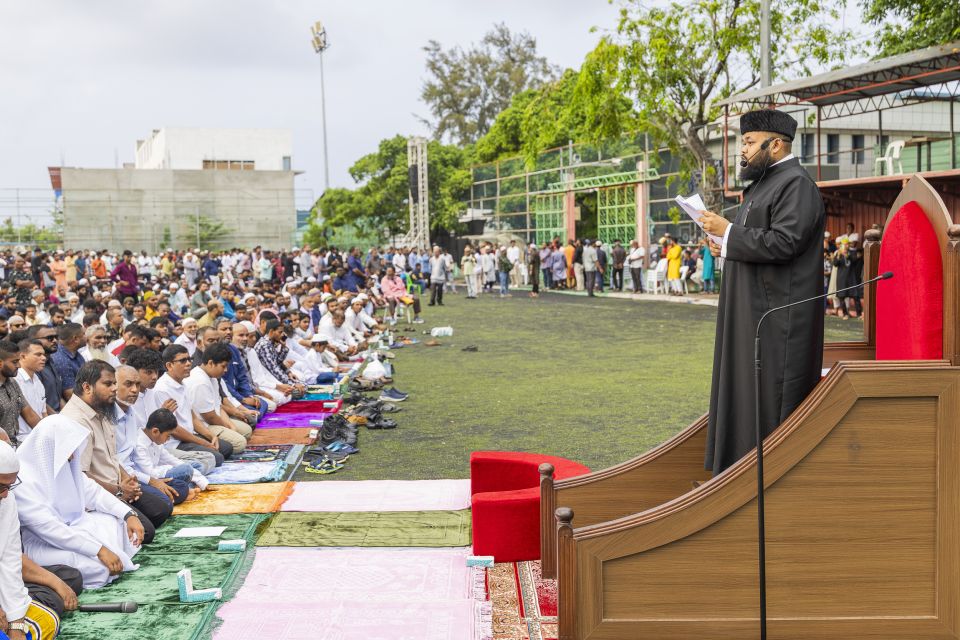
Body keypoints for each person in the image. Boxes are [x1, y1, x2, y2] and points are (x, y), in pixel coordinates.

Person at [699, 108, 825, 475]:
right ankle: (734, 475)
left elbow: (787, 242)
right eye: (744, 142)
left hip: (777, 322)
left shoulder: (796, 184)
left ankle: (759, 484)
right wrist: (723, 244)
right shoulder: (762, 185)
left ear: (776, 144)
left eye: (750, 143)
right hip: (749, 315)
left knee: (768, 403)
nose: (744, 150)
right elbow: (755, 241)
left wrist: (730, 233)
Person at [16, 416, 143, 590]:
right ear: (51, 445)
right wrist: (99, 550)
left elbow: (96, 494)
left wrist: (129, 515)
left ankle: (110, 554)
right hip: (43, 543)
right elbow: (49, 529)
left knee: (116, 520)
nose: (73, 453)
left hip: (77, 527)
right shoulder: (21, 480)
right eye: (67, 447)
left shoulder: (66, 463)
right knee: (99, 568)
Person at [59, 361, 172, 542]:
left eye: (114, 383)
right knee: (147, 532)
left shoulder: (102, 409)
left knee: (162, 508)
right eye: (108, 384)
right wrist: (120, 491)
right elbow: (80, 477)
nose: (114, 388)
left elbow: (111, 457)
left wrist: (128, 480)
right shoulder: (75, 421)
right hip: (97, 496)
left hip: (117, 486)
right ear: (87, 387)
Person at [0, 439, 79, 640]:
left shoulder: (6, 500)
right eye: (1, 486)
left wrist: (16, 621)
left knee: (47, 622)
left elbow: (9, 560)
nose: (6, 494)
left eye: (10, 485)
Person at [154, 345, 233, 465]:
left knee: (226, 448)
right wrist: (203, 442)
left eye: (189, 359)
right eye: (182, 361)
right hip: (176, 442)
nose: (188, 364)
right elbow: (173, 430)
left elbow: (192, 417)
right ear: (169, 365)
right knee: (217, 457)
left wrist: (210, 436)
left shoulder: (183, 383)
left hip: (190, 435)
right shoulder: (162, 389)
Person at [184, 342, 251, 454]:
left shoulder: (212, 377)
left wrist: (230, 425)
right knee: (240, 443)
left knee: (247, 430)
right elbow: (210, 417)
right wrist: (228, 427)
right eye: (223, 366)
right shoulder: (200, 382)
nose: (225, 370)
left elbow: (218, 406)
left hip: (214, 420)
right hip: (204, 426)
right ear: (211, 363)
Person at [131, 408, 207, 505]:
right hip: (151, 480)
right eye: (168, 436)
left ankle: (186, 488)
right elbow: (151, 475)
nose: (169, 439)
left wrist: (202, 480)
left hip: (161, 474)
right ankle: (186, 489)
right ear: (155, 431)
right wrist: (171, 468)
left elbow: (171, 459)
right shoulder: (139, 445)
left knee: (197, 466)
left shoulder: (155, 440)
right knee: (186, 470)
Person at [0, 340, 42, 445]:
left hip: (15, 445)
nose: (19, 365)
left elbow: (31, 416)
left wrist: (52, 437)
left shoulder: (12, 383)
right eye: (14, 362)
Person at [15, 339, 48, 442]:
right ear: (23, 356)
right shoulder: (15, 380)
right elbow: (28, 415)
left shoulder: (37, 380)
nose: (43, 358)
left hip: (39, 435)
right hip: (21, 439)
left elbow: (43, 413)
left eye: (43, 354)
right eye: (38, 354)